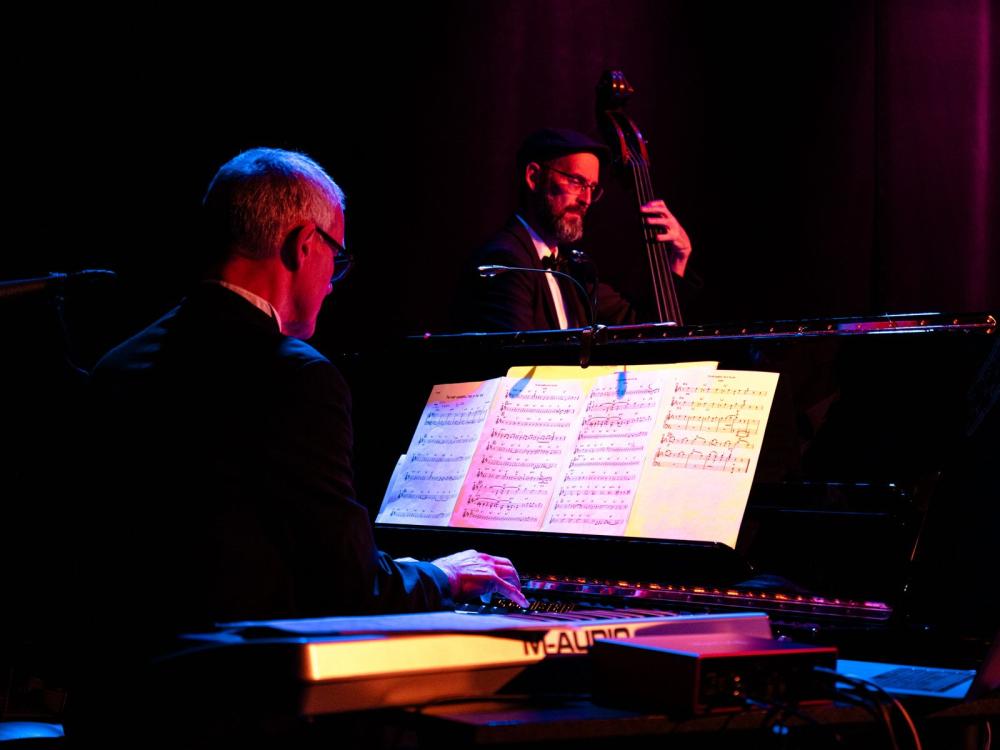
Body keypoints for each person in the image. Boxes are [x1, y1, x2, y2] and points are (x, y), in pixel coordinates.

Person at [85, 148, 527, 640]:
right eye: (336, 257)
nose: (332, 285)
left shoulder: (116, 365)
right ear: (303, 245)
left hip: (120, 674)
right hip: (239, 679)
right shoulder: (295, 376)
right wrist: (443, 576)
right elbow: (352, 588)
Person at [457, 128, 694, 331]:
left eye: (592, 188)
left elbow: (643, 325)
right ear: (534, 177)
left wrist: (678, 259)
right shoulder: (505, 260)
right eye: (577, 182)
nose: (586, 200)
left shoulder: (573, 269)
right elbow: (517, 361)